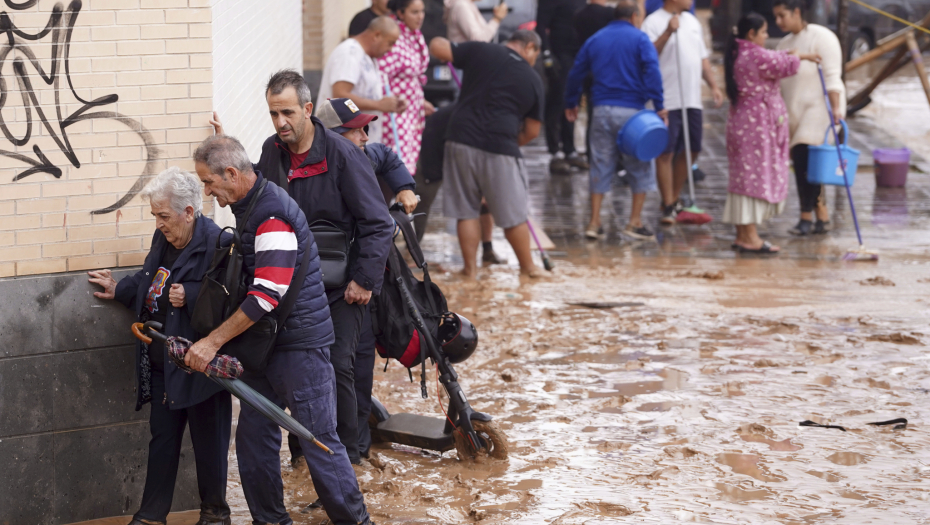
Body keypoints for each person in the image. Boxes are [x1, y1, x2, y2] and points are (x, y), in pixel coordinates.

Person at [188, 135, 374, 525]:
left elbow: (265, 296)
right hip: (265, 346)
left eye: (209, 182)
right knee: (254, 444)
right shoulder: (248, 205)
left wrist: (212, 342)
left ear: (233, 174)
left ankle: (356, 521)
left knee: (319, 442)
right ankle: (270, 521)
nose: (207, 191)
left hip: (299, 349)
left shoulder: (271, 216)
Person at [87, 167, 232, 525]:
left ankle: (215, 515)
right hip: (163, 362)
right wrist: (120, 289)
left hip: (200, 366)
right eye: (155, 215)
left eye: (163, 216)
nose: (158, 224)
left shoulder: (219, 244)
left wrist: (194, 294)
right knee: (163, 441)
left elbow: (235, 300)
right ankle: (150, 517)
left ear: (188, 212)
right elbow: (150, 278)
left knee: (209, 446)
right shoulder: (164, 240)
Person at [285, 97, 417, 464]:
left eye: (365, 127)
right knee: (315, 369)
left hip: (359, 286)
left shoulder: (362, 154)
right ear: (333, 135)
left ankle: (354, 455)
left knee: (354, 368)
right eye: (356, 129)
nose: (364, 135)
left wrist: (404, 186)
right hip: (314, 286)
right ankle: (307, 454)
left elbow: (387, 156)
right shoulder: (306, 164)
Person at [429, 30, 546, 278]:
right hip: (501, 145)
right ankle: (529, 268)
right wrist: (509, 143)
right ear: (529, 47)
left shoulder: (482, 50)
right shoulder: (534, 79)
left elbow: (438, 46)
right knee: (514, 214)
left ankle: (469, 270)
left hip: (460, 138)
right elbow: (532, 131)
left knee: (466, 210)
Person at [564, 0, 666, 241]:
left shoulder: (596, 39)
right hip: (632, 115)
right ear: (634, 17)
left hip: (601, 111)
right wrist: (660, 106)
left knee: (600, 163)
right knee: (639, 165)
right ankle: (634, 222)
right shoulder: (640, 40)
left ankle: (594, 222)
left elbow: (576, 71)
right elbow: (652, 71)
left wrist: (571, 102)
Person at [725, 13, 817, 253]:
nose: (767, 36)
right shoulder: (754, 55)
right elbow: (784, 65)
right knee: (755, 177)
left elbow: (775, 57)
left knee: (743, 177)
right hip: (756, 126)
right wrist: (798, 57)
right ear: (751, 34)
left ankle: (742, 234)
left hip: (743, 121)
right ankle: (751, 237)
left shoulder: (739, 51)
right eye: (764, 32)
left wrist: (801, 55)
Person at [642, 0, 723, 225]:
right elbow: (648, 56)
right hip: (667, 98)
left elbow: (702, 58)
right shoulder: (653, 22)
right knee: (665, 152)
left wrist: (714, 85)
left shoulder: (692, 21)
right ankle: (668, 204)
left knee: (693, 149)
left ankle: (674, 196)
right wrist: (668, 32)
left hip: (691, 98)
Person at [774, 0, 845, 236]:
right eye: (775, 17)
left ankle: (806, 216)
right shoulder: (784, 44)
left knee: (808, 161)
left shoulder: (822, 37)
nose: (778, 22)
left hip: (820, 109)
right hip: (794, 112)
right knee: (803, 165)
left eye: (782, 16)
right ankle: (821, 216)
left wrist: (835, 109)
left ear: (796, 12)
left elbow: (833, 75)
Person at [317, 16, 407, 144]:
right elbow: (340, 96)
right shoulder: (349, 54)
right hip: (343, 145)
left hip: (357, 144)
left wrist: (391, 102)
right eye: (390, 43)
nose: (391, 49)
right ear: (377, 35)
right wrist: (379, 105)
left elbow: (363, 93)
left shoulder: (368, 56)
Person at [379, 0, 434, 174]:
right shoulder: (393, 35)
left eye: (422, 11)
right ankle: (392, 199)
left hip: (412, 110)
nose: (420, 16)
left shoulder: (414, 34)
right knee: (395, 162)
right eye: (414, 12)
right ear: (401, 13)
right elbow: (380, 75)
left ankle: (400, 198)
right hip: (395, 111)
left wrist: (420, 100)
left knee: (408, 158)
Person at [536, 0, 589, 175]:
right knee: (557, 102)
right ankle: (555, 151)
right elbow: (541, 25)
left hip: (578, 54)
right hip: (560, 55)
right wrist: (547, 55)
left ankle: (570, 149)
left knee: (573, 101)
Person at [574, 0, 616, 166]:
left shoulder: (579, 14)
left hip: (587, 68)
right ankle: (613, 157)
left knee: (593, 114)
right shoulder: (609, 14)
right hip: (606, 69)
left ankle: (593, 155)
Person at [444, 0, 509, 43]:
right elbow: (478, 41)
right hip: (465, 61)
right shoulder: (462, 6)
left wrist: (496, 17)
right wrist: (496, 19)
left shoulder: (468, 4)